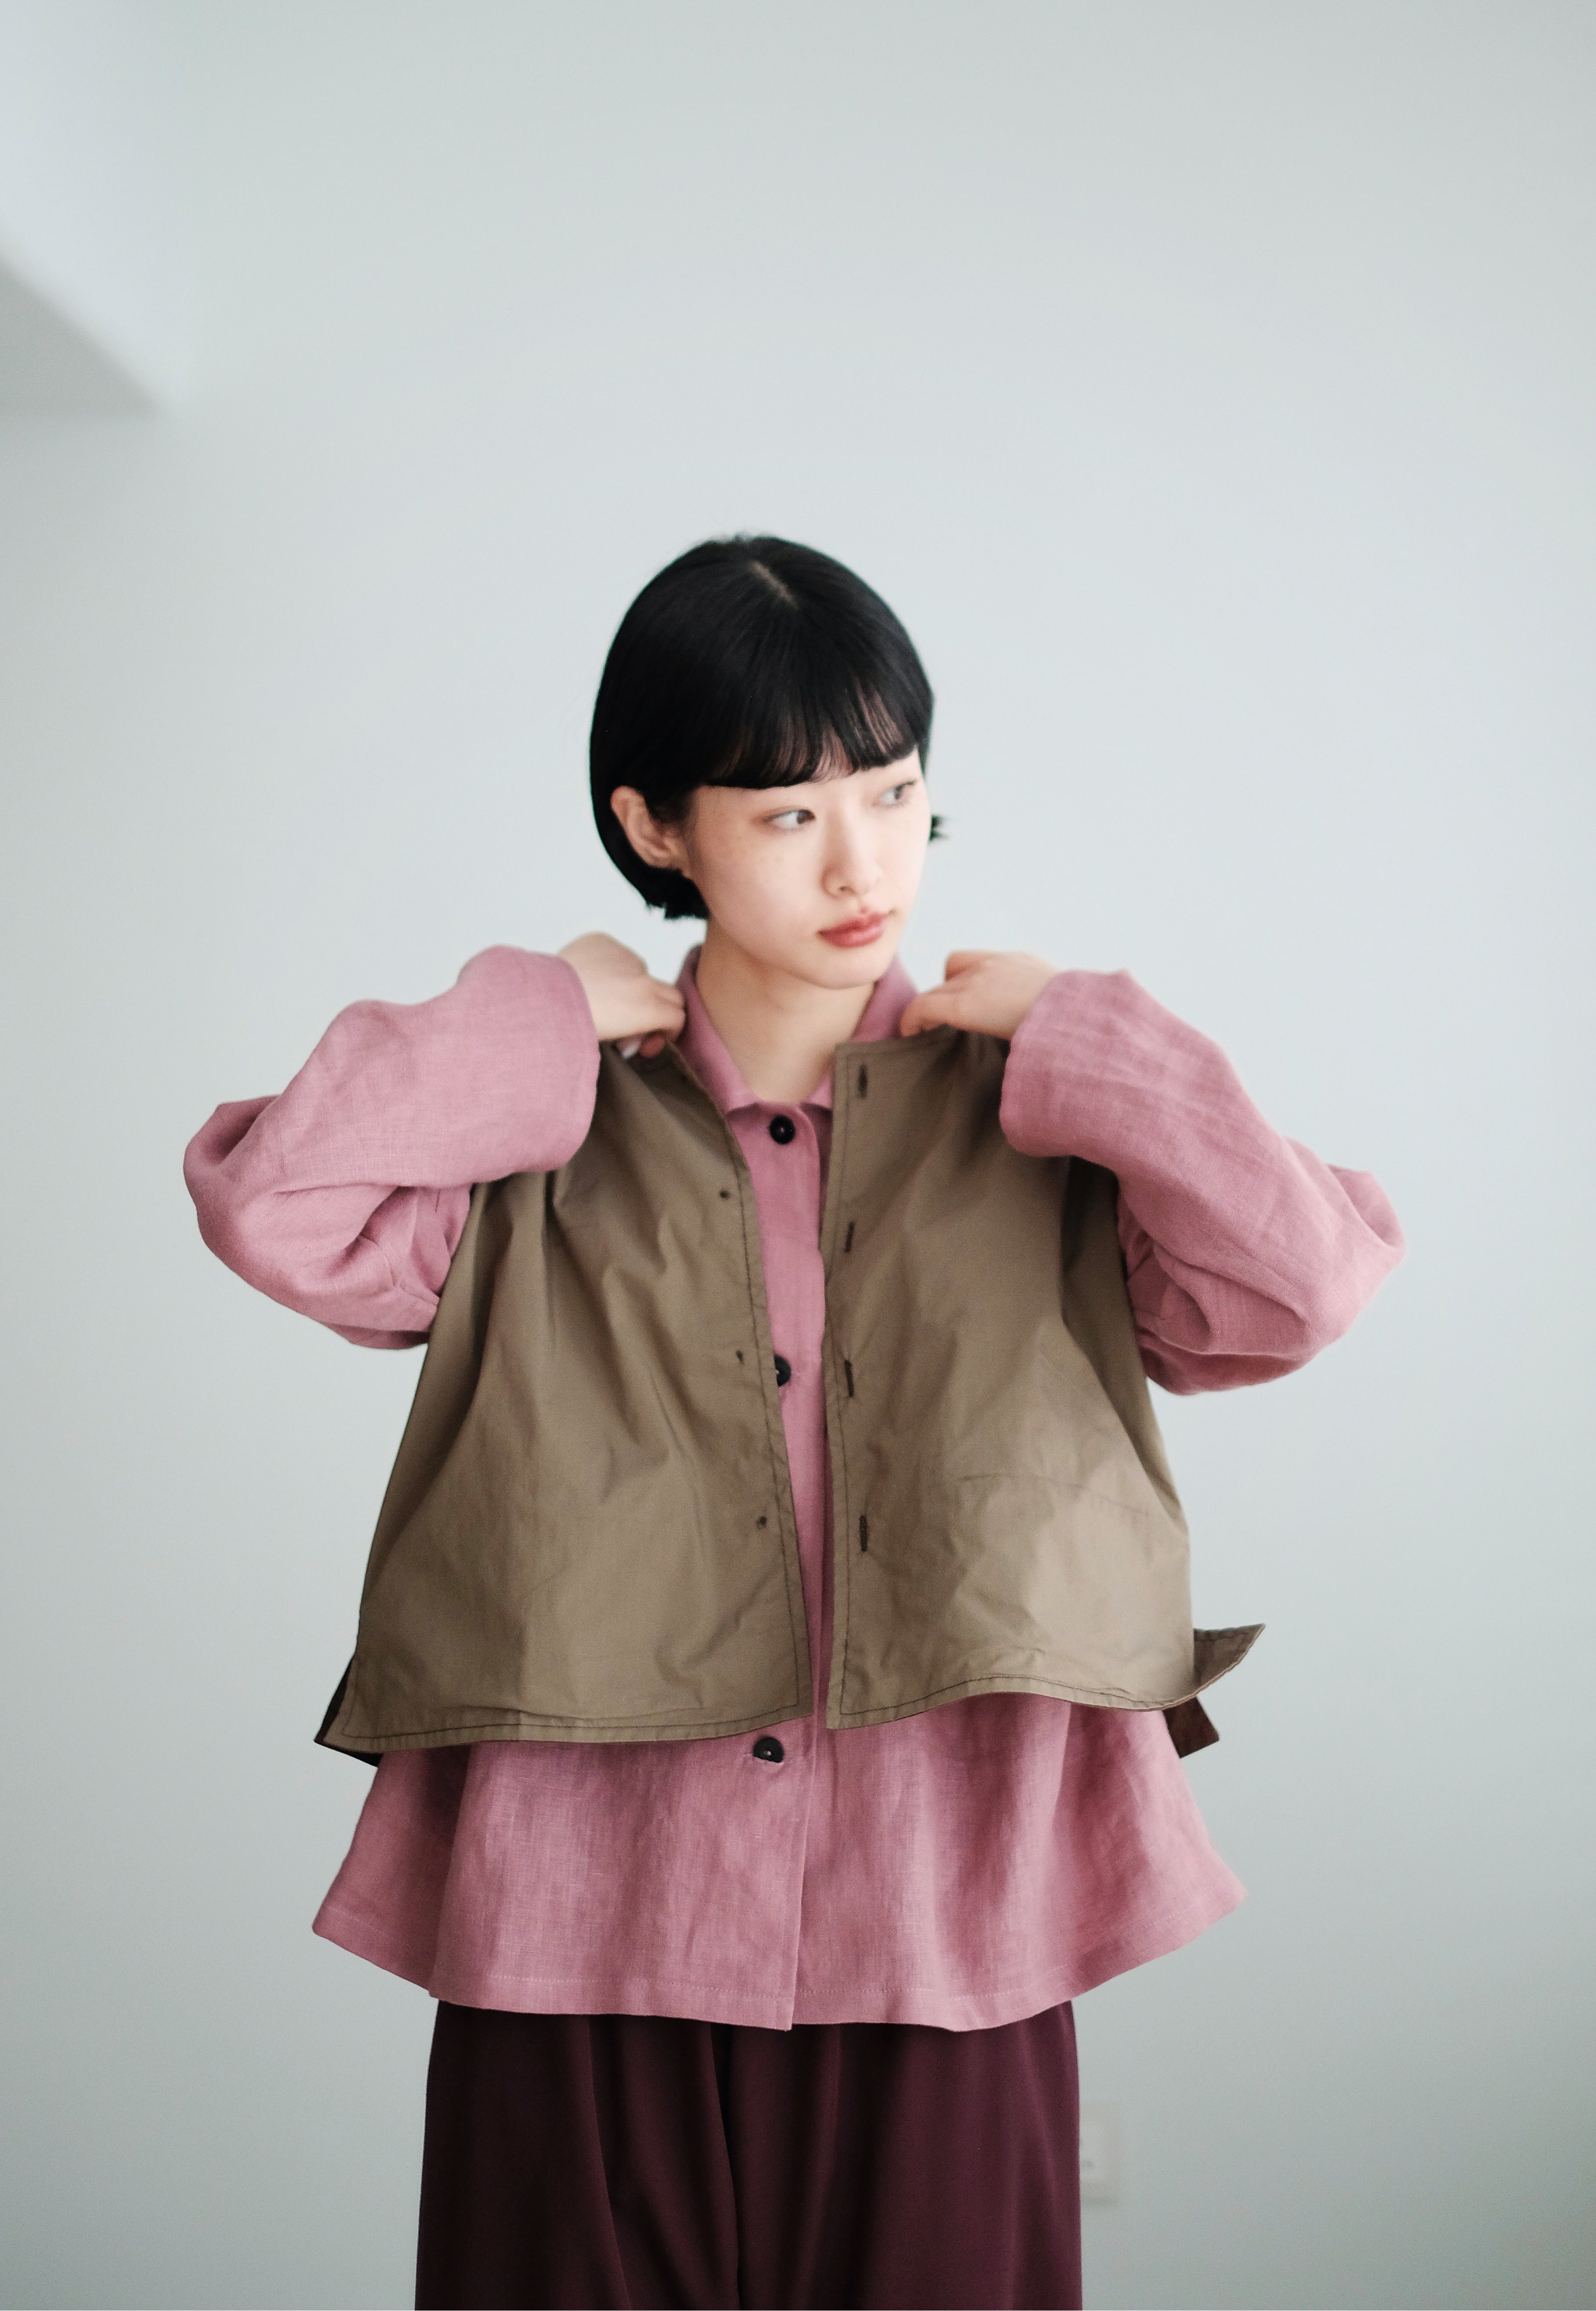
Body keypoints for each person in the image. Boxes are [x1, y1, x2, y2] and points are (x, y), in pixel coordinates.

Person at [185, 535, 1404, 2311]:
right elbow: (269, 1202)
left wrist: (1097, 1039)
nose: (863, 864)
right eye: (788, 813)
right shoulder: (533, 1136)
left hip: (944, 1935)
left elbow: (1304, 1281)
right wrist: (530, 1015)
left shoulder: (1046, 1126)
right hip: (580, 1937)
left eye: (895, 793)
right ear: (654, 825)